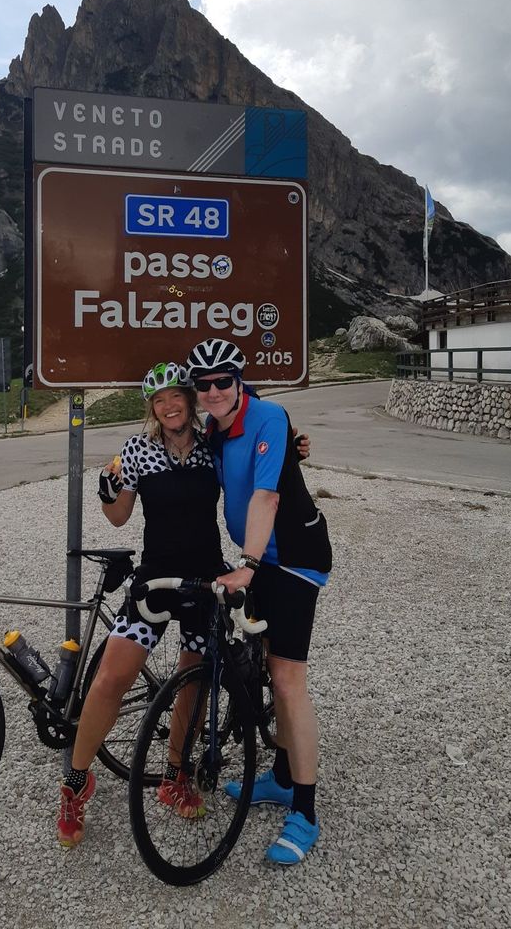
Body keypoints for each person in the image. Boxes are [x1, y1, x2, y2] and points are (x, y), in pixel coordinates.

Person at [56, 361, 226, 847]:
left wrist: (293, 448)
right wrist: (107, 492)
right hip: (156, 579)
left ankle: (175, 776)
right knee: (111, 678)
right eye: (159, 400)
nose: (169, 406)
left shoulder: (213, 445)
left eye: (176, 397)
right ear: (152, 408)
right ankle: (76, 782)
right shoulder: (137, 449)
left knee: (193, 678)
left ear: (190, 400)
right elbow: (118, 517)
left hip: (204, 578)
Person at [185, 336, 332, 867]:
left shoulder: (268, 416)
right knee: (269, 665)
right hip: (261, 559)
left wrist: (246, 562)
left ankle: (306, 811)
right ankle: (283, 777)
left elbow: (267, 496)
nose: (213, 391)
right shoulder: (215, 429)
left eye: (223, 381)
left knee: (289, 679)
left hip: (293, 558)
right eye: (203, 384)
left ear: (239, 381)